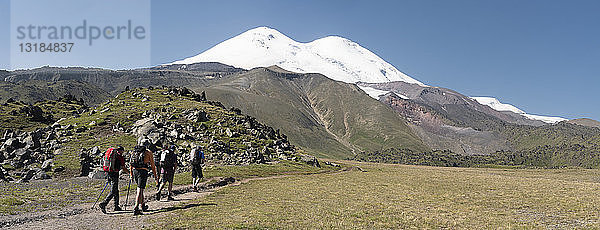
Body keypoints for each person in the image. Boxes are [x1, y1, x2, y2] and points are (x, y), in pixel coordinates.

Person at [98, 146, 129, 214]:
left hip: (108, 173)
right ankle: (103, 204)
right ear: (121, 151)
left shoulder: (112, 156)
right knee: (113, 190)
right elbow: (123, 167)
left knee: (116, 190)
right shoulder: (120, 157)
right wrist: (129, 173)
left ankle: (116, 206)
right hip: (114, 174)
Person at [130, 145, 158, 215]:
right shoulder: (148, 152)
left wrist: (131, 175)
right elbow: (152, 165)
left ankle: (143, 205)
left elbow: (131, 164)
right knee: (139, 189)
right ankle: (136, 207)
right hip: (143, 171)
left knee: (141, 189)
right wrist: (155, 176)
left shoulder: (135, 151)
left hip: (135, 171)